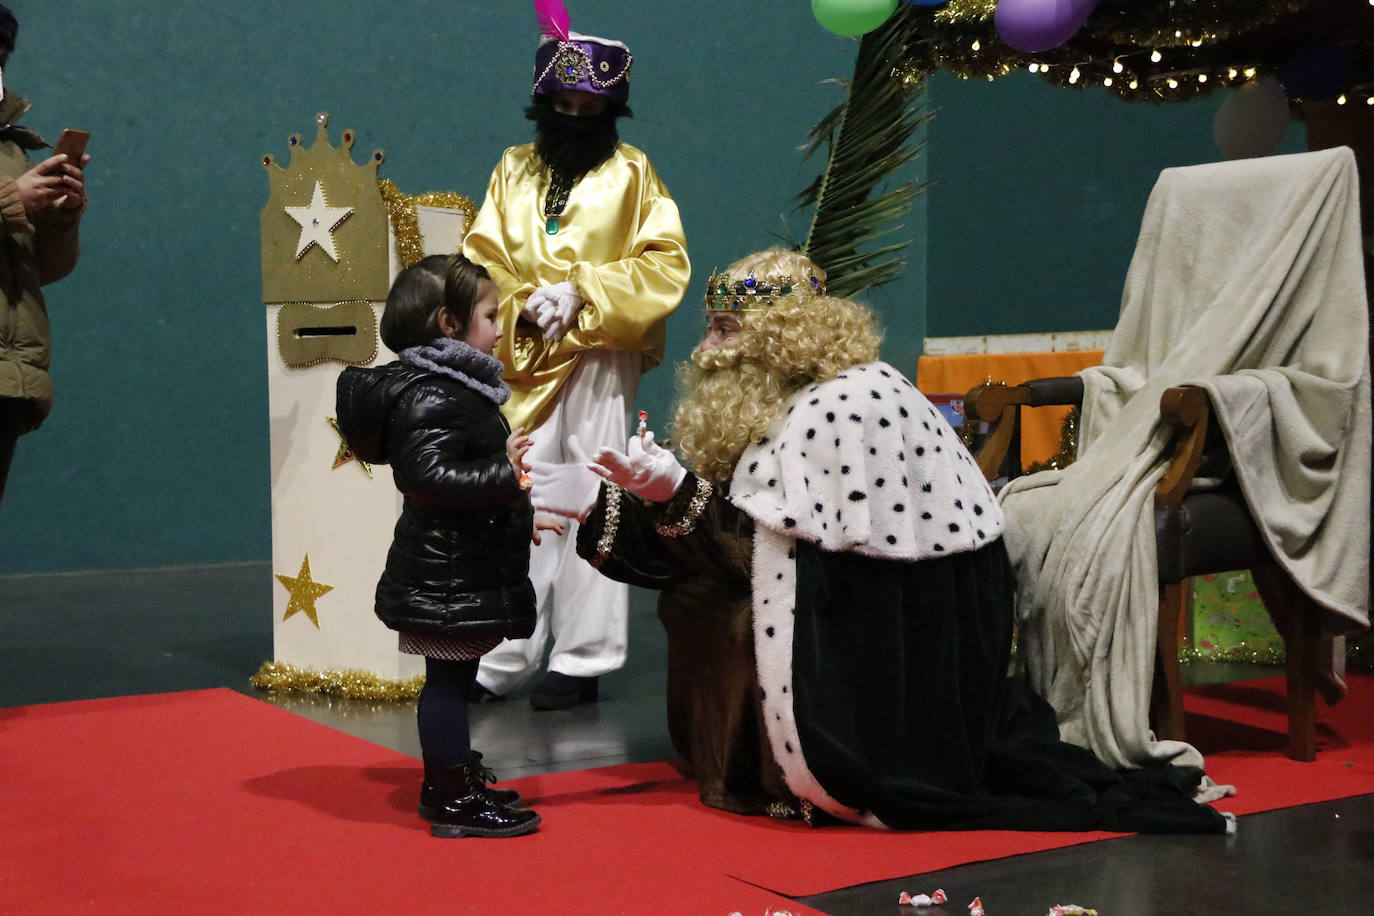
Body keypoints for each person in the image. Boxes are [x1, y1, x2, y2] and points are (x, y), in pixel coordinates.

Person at [532, 247, 1232, 834]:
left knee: (722, 609)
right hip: (852, 594)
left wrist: (676, 494)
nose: (704, 351)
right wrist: (630, 499)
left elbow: (779, 560)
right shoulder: (791, 398)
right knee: (694, 594)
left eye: (723, 331)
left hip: (894, 632)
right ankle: (744, 767)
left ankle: (783, 774)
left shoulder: (841, 407)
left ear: (778, 336)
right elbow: (763, 545)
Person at [461, 3, 691, 710]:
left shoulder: (634, 173)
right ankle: (501, 653)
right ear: (544, 103)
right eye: (564, 105)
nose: (576, 116)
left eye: (591, 107)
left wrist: (584, 291)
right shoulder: (513, 170)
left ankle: (585, 657)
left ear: (612, 109)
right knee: (518, 493)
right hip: (523, 355)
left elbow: (664, 263)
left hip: (597, 355)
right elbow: (482, 256)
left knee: (596, 491)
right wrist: (524, 299)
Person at [335, 253, 561, 838]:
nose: (499, 327)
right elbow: (429, 478)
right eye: (489, 315)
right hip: (446, 572)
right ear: (449, 324)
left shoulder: (457, 387)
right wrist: (506, 474)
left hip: (459, 564)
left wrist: (518, 510)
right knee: (447, 683)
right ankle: (451, 795)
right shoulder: (434, 393)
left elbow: (462, 476)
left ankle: (450, 780)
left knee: (454, 678)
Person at [0, 4, 89, 504]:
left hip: (10, 376)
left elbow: (44, 270)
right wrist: (13, 198)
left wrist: (57, 216)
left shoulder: (12, 150)